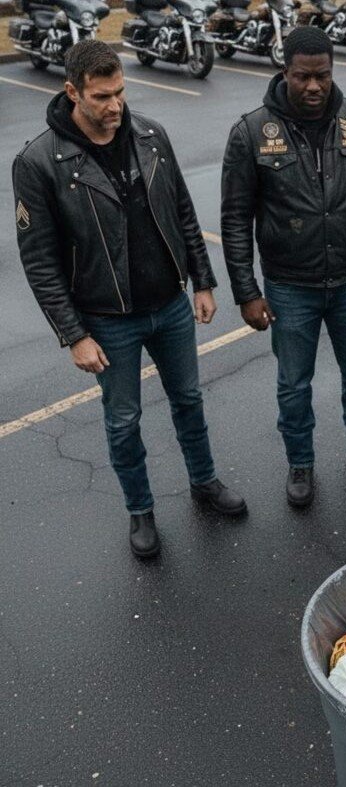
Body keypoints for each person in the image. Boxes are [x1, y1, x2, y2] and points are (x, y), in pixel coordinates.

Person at [12, 40, 246, 559]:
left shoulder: (150, 135)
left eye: (119, 92)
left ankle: (204, 482)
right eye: (101, 96)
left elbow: (183, 211)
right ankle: (140, 510)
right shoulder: (39, 162)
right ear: (72, 92)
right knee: (123, 421)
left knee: (189, 401)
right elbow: (40, 261)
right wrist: (74, 335)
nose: (115, 105)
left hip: (170, 306)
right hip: (107, 320)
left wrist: (202, 281)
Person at [220, 27, 346, 507]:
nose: (313, 86)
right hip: (289, 285)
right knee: (293, 384)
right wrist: (246, 292)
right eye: (302, 76)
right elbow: (235, 219)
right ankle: (300, 463)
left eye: (322, 75)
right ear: (284, 71)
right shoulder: (251, 132)